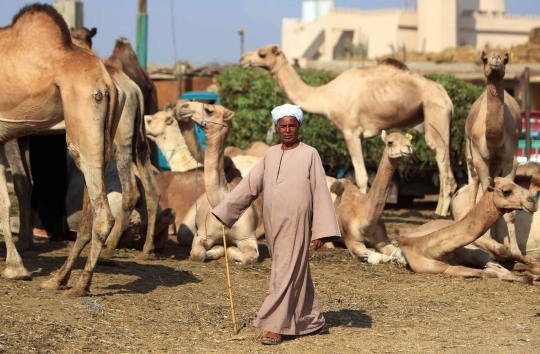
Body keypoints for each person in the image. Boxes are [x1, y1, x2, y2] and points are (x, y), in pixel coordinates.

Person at [211, 104, 341, 345]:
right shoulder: (270, 155)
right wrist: (225, 211)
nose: (288, 130)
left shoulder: (310, 154)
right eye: (284, 126)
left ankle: (274, 326)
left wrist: (321, 230)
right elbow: (250, 184)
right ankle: (312, 320)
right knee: (295, 271)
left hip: (297, 223)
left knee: (283, 271)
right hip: (273, 224)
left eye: (292, 125)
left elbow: (320, 192)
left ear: (299, 127)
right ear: (277, 127)